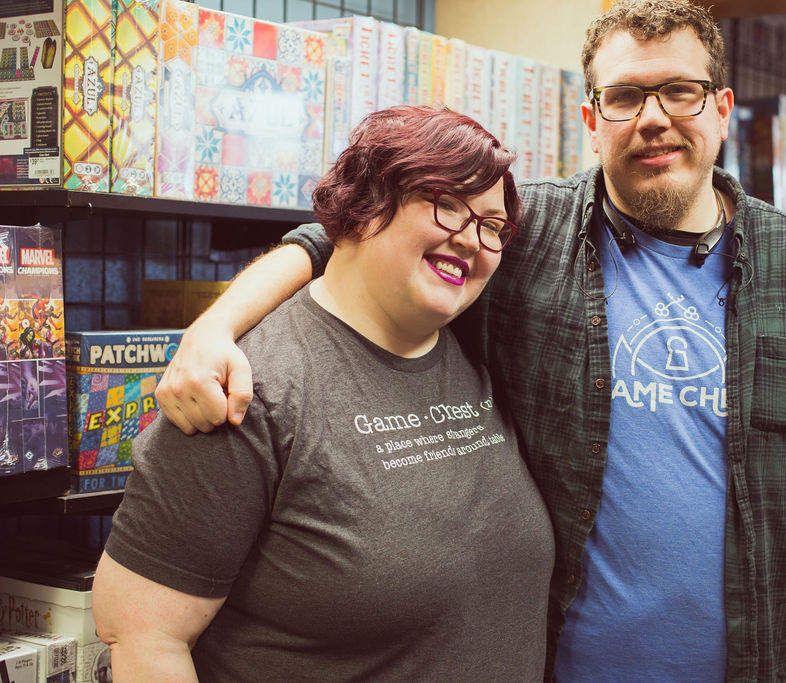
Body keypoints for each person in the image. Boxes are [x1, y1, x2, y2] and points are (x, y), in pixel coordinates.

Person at [156, 1, 786, 680]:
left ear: (722, 108)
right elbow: (344, 237)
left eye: (681, 91)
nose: (654, 118)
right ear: (591, 116)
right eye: (625, 96)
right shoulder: (523, 232)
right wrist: (214, 326)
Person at [91, 105, 554, 682]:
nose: (472, 240)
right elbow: (142, 636)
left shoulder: (473, 343)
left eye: (490, 225)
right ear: (365, 208)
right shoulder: (247, 390)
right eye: (447, 205)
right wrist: (211, 326)